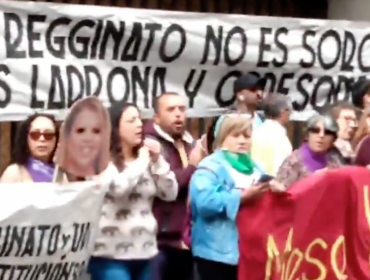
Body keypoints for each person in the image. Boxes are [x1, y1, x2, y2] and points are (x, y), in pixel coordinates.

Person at [88, 102, 178, 280]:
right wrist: (142, 162)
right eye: (131, 120)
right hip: (109, 255)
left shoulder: (145, 159)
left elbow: (170, 193)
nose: (139, 124)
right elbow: (118, 188)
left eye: (139, 119)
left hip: (145, 251)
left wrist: (158, 161)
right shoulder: (100, 159)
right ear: (114, 127)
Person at [189, 114, 271, 280]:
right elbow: (204, 203)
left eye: (246, 136)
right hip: (216, 254)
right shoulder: (210, 166)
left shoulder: (257, 168)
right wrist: (240, 197)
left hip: (249, 252)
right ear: (222, 137)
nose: (242, 140)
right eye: (235, 135)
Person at [144, 92, 203, 280]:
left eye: (181, 109)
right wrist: (193, 166)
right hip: (160, 241)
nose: (178, 114)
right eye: (171, 109)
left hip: (188, 240)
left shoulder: (190, 143)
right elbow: (168, 186)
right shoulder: (149, 146)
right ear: (157, 117)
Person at [276, 114, 344, 189]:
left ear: (333, 139)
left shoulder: (336, 159)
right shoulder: (294, 161)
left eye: (327, 132)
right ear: (307, 135)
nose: (321, 135)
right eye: (315, 131)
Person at [56, 97, 111, 178]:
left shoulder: (113, 180)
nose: (88, 138)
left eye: (96, 131)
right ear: (67, 135)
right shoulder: (47, 176)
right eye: (80, 130)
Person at [1, 113, 58, 183]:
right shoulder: (14, 172)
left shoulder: (62, 174)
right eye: (35, 134)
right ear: (26, 138)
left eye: (48, 135)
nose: (42, 139)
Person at [251, 94, 293, 175]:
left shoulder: (256, 132)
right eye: (290, 110)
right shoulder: (281, 140)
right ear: (284, 111)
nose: (291, 114)